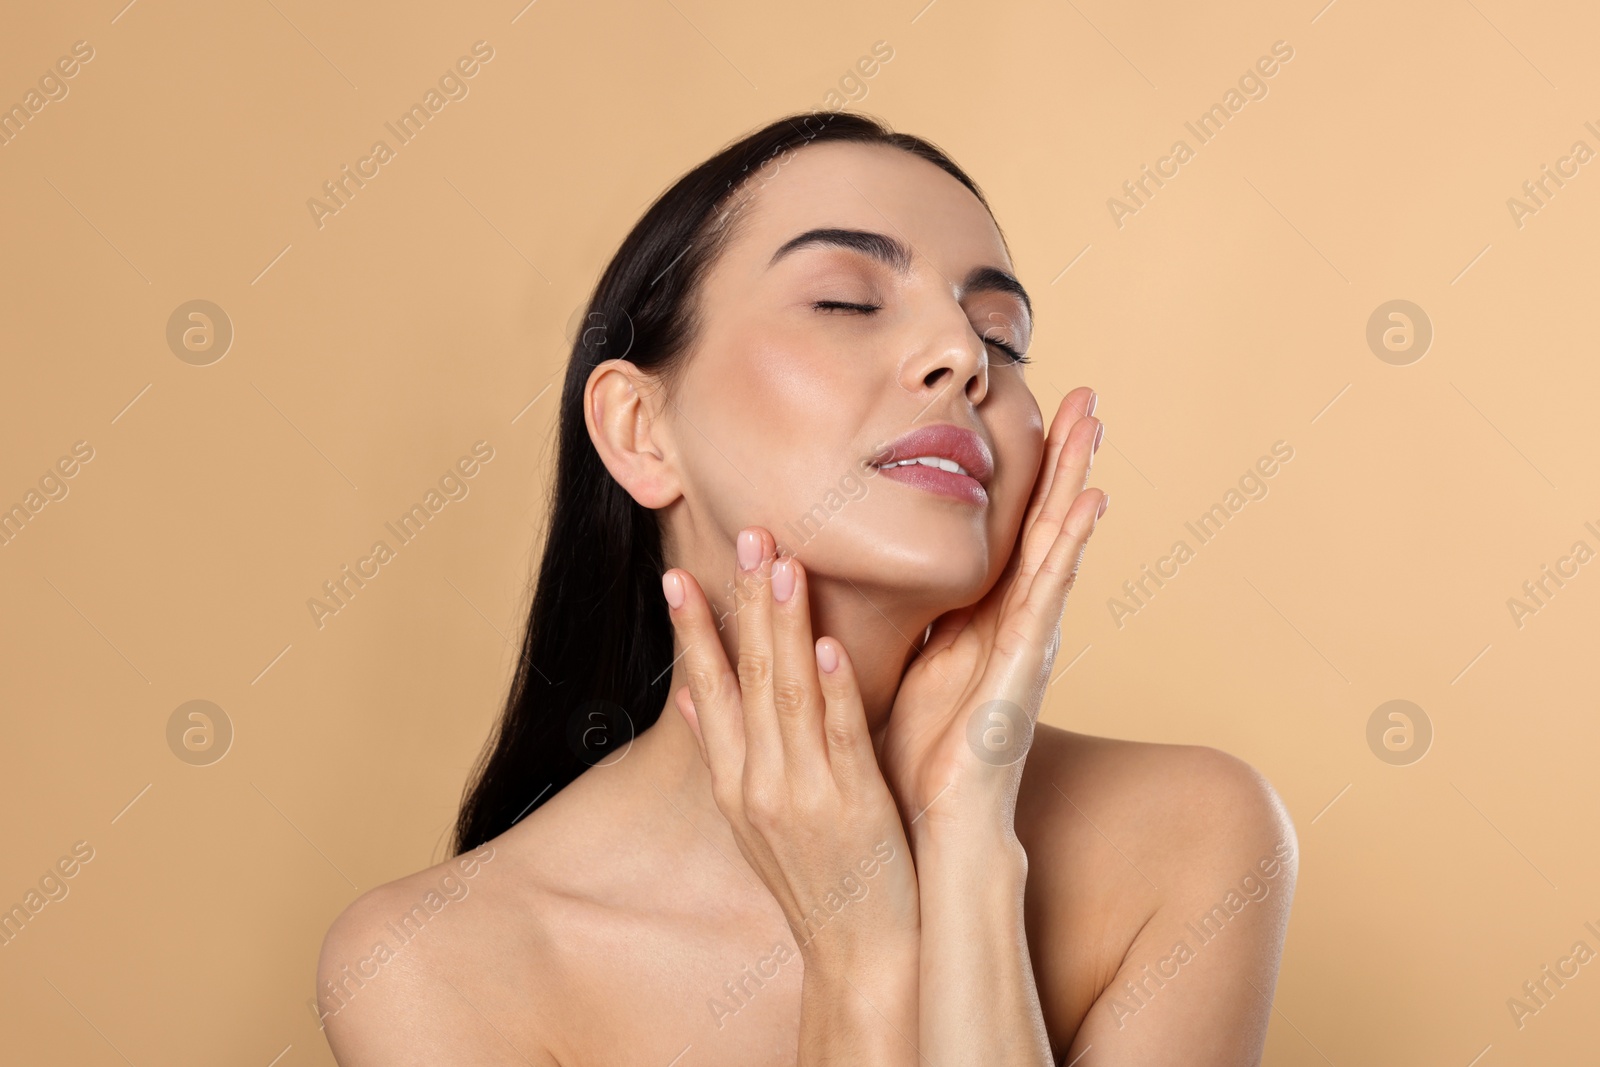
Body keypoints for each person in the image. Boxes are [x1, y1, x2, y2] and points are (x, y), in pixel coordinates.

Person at [317, 111, 1297, 1066]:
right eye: (846, 302)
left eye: (999, 335)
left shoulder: (1191, 835)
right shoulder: (436, 963)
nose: (960, 355)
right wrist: (860, 952)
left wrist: (966, 848)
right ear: (638, 430)